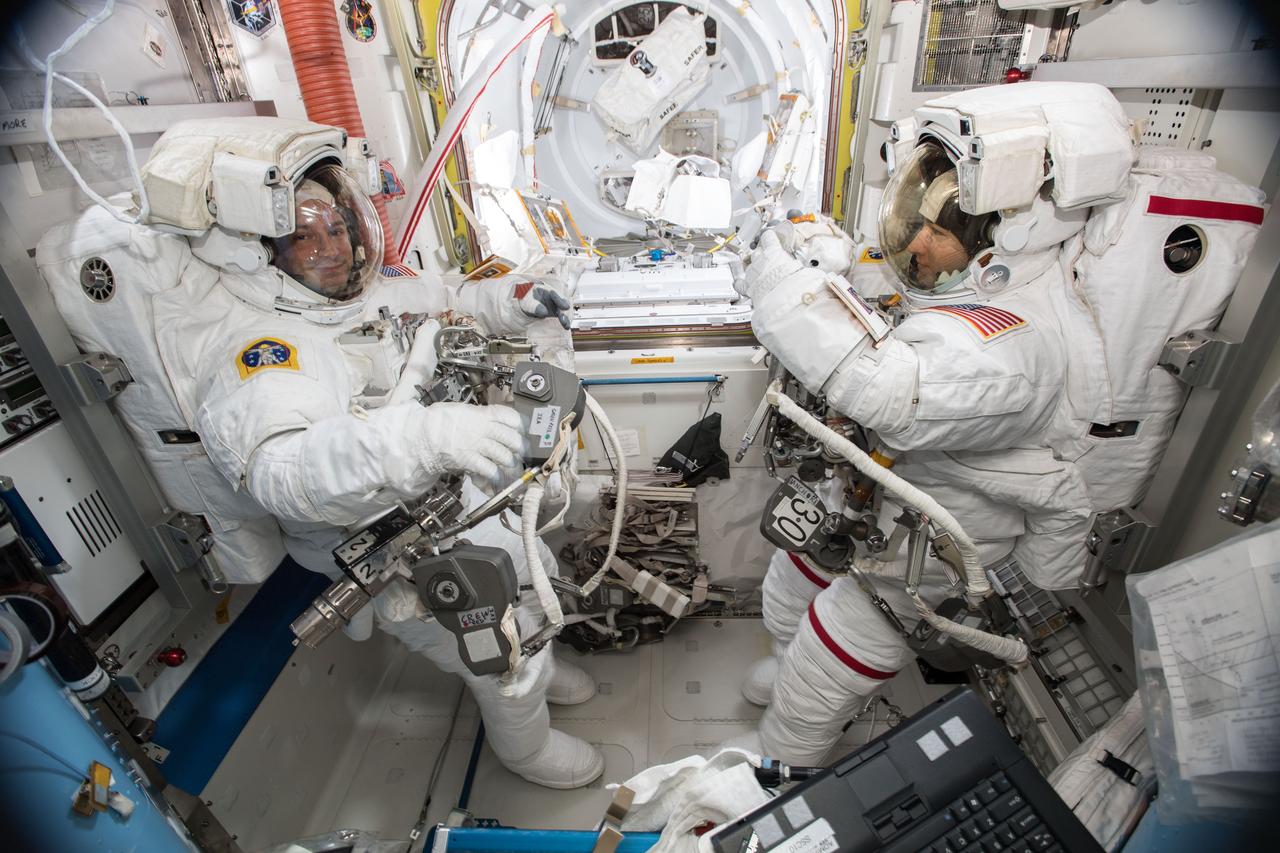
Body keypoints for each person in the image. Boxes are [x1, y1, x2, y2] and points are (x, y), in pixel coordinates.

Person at [732, 81, 1264, 765]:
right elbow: (895, 314)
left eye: (937, 232)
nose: (916, 241)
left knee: (836, 644)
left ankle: (780, 763)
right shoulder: (976, 290)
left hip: (929, 539)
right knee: (796, 572)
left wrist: (781, 284)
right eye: (916, 218)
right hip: (879, 492)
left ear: (997, 242)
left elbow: (894, 391)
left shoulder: (1017, 344)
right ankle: (782, 657)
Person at [139, 118, 602, 789]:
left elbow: (449, 302)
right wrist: (427, 436)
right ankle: (525, 742)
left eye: (335, 228)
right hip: (390, 540)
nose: (327, 249)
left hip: (448, 498)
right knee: (500, 650)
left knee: (536, 573)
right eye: (301, 237)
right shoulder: (264, 349)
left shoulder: (371, 292)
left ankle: (543, 672)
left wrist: (516, 298)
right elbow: (288, 472)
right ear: (258, 251)